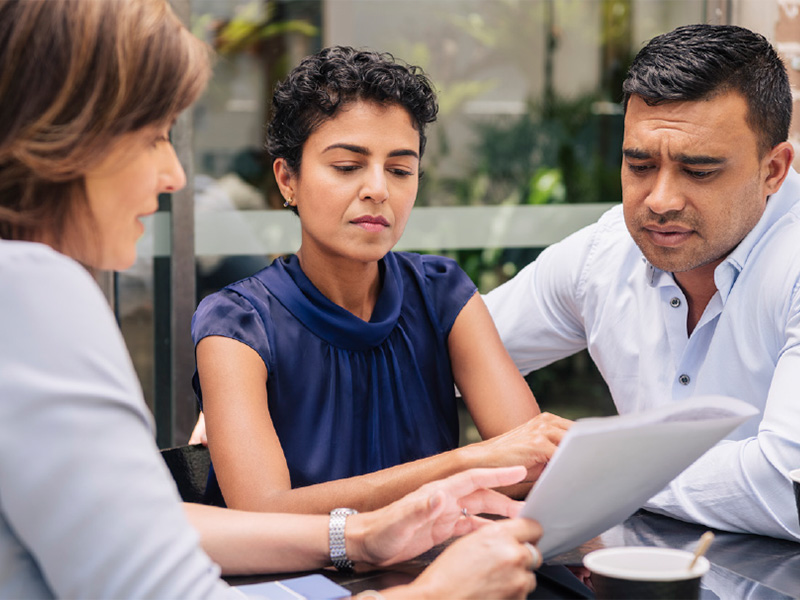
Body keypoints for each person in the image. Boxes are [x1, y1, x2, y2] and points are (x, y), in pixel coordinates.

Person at [0, 1, 547, 597]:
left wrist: (360, 536)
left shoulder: (437, 288)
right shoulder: (38, 293)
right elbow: (186, 561)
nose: (176, 177)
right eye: (153, 137)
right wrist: (435, 579)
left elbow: (138, 523)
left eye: (401, 169)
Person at [190, 46, 572, 514]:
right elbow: (265, 512)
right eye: (348, 167)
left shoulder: (441, 293)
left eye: (400, 169)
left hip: (437, 571)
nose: (378, 190)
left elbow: (533, 465)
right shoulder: (236, 325)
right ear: (287, 180)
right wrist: (467, 464)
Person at [484, 23, 800, 541]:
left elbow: (787, 489)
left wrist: (599, 469)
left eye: (699, 171)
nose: (660, 200)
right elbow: (450, 352)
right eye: (640, 164)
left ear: (774, 170)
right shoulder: (605, 254)